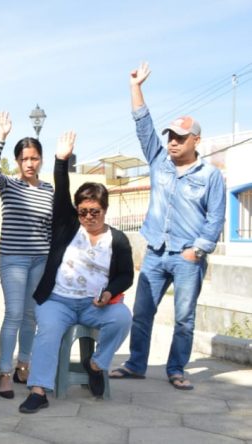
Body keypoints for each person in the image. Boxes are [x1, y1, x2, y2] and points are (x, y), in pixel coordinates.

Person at [110, 62, 226, 391]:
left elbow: (216, 216)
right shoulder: (159, 161)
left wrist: (197, 250)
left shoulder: (210, 176)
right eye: (170, 137)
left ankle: (176, 369)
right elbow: (143, 126)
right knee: (142, 313)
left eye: (180, 138)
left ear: (196, 140)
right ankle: (135, 364)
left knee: (184, 318)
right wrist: (136, 87)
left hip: (187, 256)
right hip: (156, 253)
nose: (172, 143)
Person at [18, 132, 135, 413]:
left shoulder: (117, 239)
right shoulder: (67, 226)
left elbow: (126, 275)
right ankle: (39, 390)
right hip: (58, 300)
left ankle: (96, 364)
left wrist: (109, 292)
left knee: (122, 318)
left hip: (95, 305)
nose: (88, 217)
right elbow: (61, 190)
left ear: (104, 210)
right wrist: (61, 160)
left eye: (94, 211)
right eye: (83, 211)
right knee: (47, 331)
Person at [0, 111, 54, 398]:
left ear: (41, 160)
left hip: (40, 260)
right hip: (13, 260)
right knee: (13, 314)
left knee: (31, 316)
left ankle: (23, 365)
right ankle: (4, 371)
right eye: (25, 158)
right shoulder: (9, 185)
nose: (30, 163)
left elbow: (50, 227)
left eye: (34, 158)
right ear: (17, 161)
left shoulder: (49, 189)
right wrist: (1, 136)